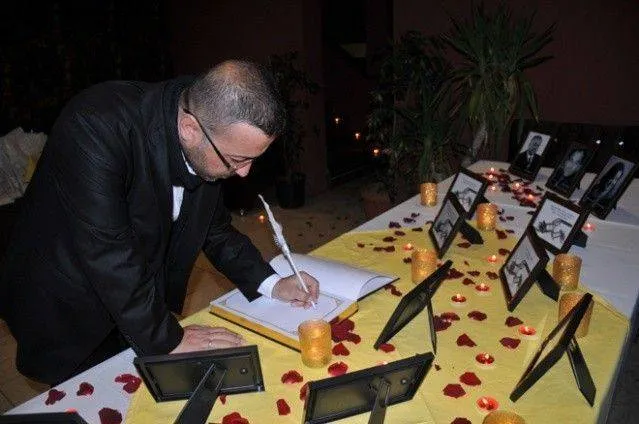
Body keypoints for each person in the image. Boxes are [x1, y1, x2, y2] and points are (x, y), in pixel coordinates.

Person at [0, 60, 320, 385]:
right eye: (237, 159)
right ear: (189, 129)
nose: (244, 173)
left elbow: (215, 229)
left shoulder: (207, 126)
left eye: (252, 159)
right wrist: (167, 339)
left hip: (137, 299)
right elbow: (109, 254)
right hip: (68, 303)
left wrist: (271, 283)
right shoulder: (93, 125)